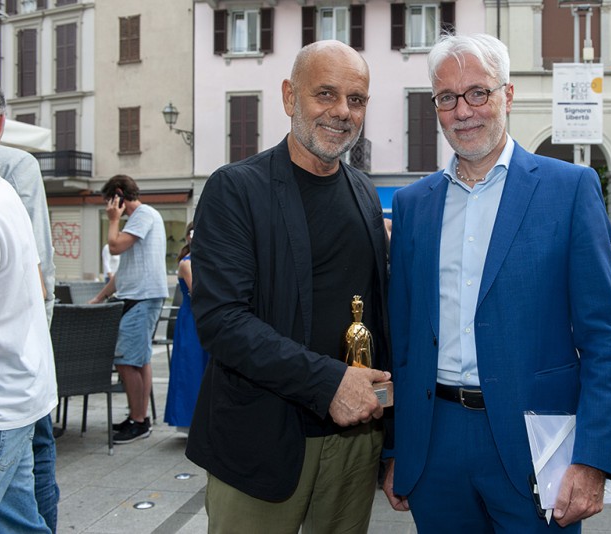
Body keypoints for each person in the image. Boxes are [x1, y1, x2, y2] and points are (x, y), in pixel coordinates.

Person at [383, 33, 611, 531]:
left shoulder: (569, 189)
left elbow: (605, 338)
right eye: (447, 98)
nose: (463, 110)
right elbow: (402, 341)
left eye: (478, 92)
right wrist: (395, 449)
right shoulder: (414, 205)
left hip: (535, 445)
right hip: (435, 446)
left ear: (507, 95)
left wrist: (594, 460)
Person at [185, 40, 391, 533]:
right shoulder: (235, 189)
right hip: (259, 441)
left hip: (353, 444)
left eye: (356, 99)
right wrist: (327, 384)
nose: (342, 111)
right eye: (325, 94)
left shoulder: (364, 190)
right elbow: (221, 322)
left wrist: (391, 439)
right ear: (288, 97)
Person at [0, 86, 60, 532]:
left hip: (7, 391)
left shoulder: (14, 172)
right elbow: (40, 279)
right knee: (21, 512)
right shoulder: (9, 185)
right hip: (25, 377)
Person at [89, 175, 168, 444]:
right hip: (141, 297)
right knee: (140, 360)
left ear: (119, 195)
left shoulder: (143, 214)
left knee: (125, 361)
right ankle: (139, 417)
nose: (110, 208)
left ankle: (138, 421)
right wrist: (99, 297)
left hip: (142, 298)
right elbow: (122, 273)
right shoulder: (141, 219)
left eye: (110, 201)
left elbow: (114, 246)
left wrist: (112, 219)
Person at [164, 222, 209, 434]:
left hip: (203, 317)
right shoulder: (187, 263)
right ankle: (189, 420)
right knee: (190, 367)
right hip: (192, 320)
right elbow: (198, 291)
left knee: (202, 367)